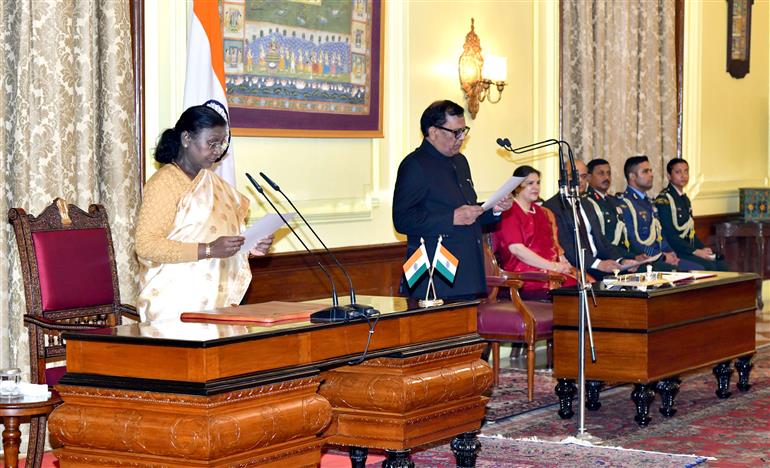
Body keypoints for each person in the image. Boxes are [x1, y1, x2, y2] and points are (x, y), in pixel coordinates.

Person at [135, 102, 272, 322]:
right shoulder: (165, 183)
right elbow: (146, 245)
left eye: (221, 144)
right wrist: (208, 249)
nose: (217, 152)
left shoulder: (213, 185)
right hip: (174, 304)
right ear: (187, 138)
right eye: (212, 143)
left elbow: (216, 240)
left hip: (215, 301)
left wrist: (249, 246)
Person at [392, 100, 512, 300]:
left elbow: (468, 214)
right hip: (433, 274)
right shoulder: (414, 165)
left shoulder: (460, 161)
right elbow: (402, 220)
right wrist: (450, 218)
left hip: (468, 273)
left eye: (464, 130)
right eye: (456, 132)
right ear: (433, 132)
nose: (462, 138)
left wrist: (494, 209)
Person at [493, 165, 577, 300]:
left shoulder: (541, 212)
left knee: (585, 285)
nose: (536, 187)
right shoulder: (509, 211)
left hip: (549, 273)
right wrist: (554, 266)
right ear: (517, 187)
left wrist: (562, 263)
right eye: (530, 183)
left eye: (538, 183)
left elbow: (551, 246)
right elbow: (517, 249)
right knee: (572, 293)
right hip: (523, 277)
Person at [543, 160, 637, 280]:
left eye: (583, 176)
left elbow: (602, 241)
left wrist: (621, 260)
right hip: (576, 268)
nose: (580, 181)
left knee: (636, 277)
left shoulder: (587, 204)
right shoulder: (552, 207)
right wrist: (598, 264)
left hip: (598, 263)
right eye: (574, 176)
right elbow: (566, 248)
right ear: (562, 177)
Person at [618, 155, 702, 271]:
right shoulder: (625, 203)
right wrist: (661, 256)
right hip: (645, 259)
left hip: (661, 256)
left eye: (651, 171)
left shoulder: (648, 202)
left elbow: (660, 235)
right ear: (632, 176)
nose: (651, 175)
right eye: (645, 172)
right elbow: (634, 241)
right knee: (687, 273)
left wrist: (670, 253)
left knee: (699, 270)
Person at [654, 158, 727, 271]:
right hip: (676, 251)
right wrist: (696, 252)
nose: (683, 175)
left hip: (687, 248)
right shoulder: (664, 200)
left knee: (721, 263)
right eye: (678, 172)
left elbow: (690, 233)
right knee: (709, 267)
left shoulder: (685, 199)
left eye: (686, 171)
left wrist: (703, 249)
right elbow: (670, 236)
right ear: (669, 176)